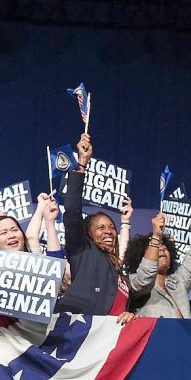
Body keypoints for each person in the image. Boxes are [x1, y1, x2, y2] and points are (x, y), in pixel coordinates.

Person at [53, 133, 135, 324]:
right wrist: (82, 163)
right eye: (100, 228)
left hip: (106, 341)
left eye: (111, 227)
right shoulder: (82, 250)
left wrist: (129, 314)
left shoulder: (118, 270)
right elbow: (72, 210)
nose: (108, 231)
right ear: (88, 234)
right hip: (74, 334)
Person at [123, 189, 191, 318]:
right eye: (157, 249)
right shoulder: (134, 281)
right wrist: (156, 236)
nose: (162, 250)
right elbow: (145, 277)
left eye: (165, 248)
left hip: (183, 338)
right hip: (155, 337)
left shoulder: (179, 281)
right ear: (143, 258)